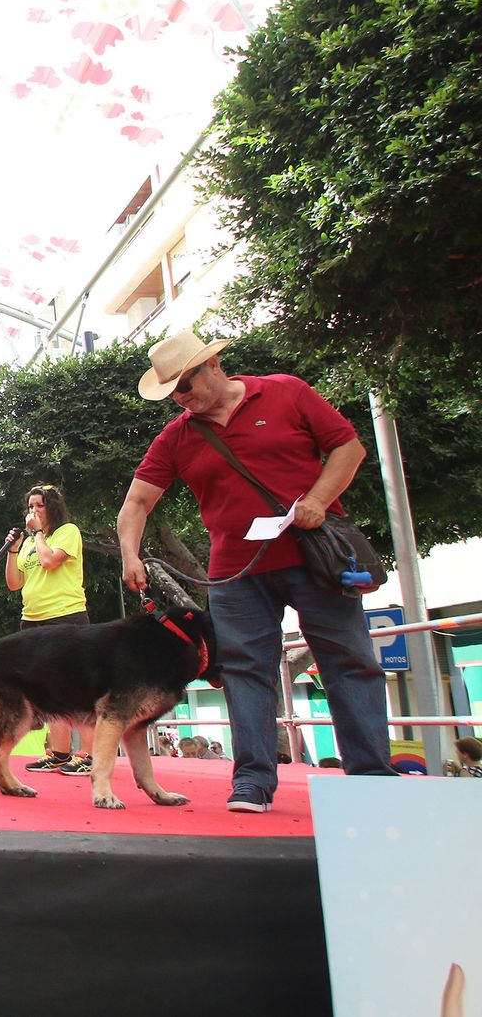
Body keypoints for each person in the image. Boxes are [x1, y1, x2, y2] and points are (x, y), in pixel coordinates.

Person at [116, 328, 397, 813]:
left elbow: (348, 448)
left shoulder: (286, 391)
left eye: (185, 385)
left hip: (314, 559)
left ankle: (371, 775)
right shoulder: (177, 435)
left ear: (213, 365)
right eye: (172, 393)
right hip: (236, 573)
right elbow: (136, 502)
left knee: (348, 661)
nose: (181, 398)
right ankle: (252, 782)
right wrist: (129, 554)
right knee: (244, 671)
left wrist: (318, 500)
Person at [2, 483, 95, 776]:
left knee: (75, 687)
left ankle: (90, 755)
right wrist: (13, 550)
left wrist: (38, 534)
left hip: (64, 616)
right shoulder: (31, 541)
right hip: (32, 619)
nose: (33, 511)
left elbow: (50, 560)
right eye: (30, 506)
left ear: (52, 507)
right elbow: (14, 583)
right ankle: (59, 753)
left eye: (39, 505)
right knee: (48, 690)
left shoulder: (67, 532)